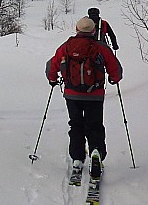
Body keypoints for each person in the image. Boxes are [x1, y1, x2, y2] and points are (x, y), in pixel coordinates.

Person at [45, 16, 123, 177]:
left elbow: (51, 66)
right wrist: (114, 79)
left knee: (76, 125)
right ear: (93, 31)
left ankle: (77, 159)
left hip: (71, 95)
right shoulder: (100, 47)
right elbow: (116, 69)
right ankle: (96, 153)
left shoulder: (65, 47)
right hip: (94, 95)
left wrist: (52, 79)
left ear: (77, 29)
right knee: (94, 125)